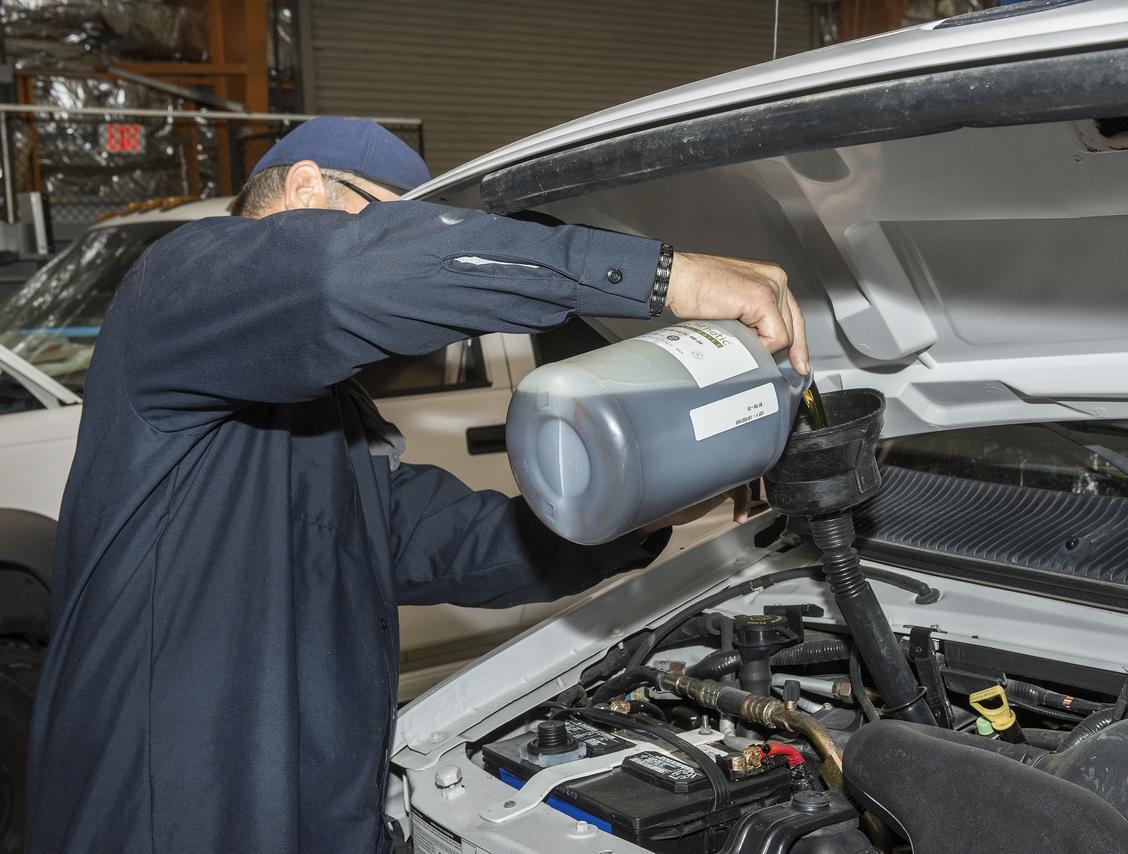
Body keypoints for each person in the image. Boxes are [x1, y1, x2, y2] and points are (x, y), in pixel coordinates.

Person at [25, 117, 808, 853]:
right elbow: (341, 277)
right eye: (383, 222)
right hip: (167, 817)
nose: (401, 261)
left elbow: (458, 545)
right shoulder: (181, 285)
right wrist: (662, 276)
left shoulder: (335, 421)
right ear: (304, 191)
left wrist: (647, 504)